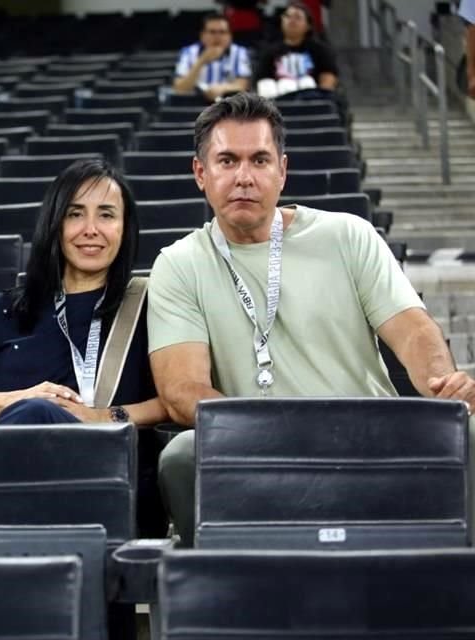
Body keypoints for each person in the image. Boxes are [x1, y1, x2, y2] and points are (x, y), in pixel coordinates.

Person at [146, 92, 475, 546]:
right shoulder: (178, 264)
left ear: (282, 170)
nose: (244, 177)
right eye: (227, 161)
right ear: (201, 173)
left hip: (370, 432)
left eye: (259, 160)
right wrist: (271, 434)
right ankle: (222, 597)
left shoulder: (347, 234)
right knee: (182, 453)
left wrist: (443, 381)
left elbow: (413, 329)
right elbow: (182, 390)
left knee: (470, 425)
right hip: (256, 446)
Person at [0, 158, 169, 538]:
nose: (91, 230)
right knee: (36, 412)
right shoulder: (7, 310)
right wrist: (23, 399)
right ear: (54, 224)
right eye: (75, 214)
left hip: (109, 484)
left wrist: (103, 417)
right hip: (13, 478)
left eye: (106, 215)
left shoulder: (153, 305)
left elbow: (175, 400)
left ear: (125, 229)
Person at [254, 1, 338, 96]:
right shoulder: (269, 52)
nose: (292, 20)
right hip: (278, 102)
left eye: (297, 17)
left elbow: (328, 80)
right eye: (288, 16)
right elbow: (262, 81)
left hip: (312, 101)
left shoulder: (320, 50)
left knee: (307, 82)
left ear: (308, 25)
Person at [172, 13, 253, 102]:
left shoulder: (239, 52)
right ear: (202, 35)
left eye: (222, 32)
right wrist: (201, 61)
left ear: (230, 36)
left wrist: (222, 88)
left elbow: (243, 85)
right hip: (193, 104)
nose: (217, 37)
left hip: (229, 105)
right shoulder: (188, 52)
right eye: (212, 32)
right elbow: (180, 88)